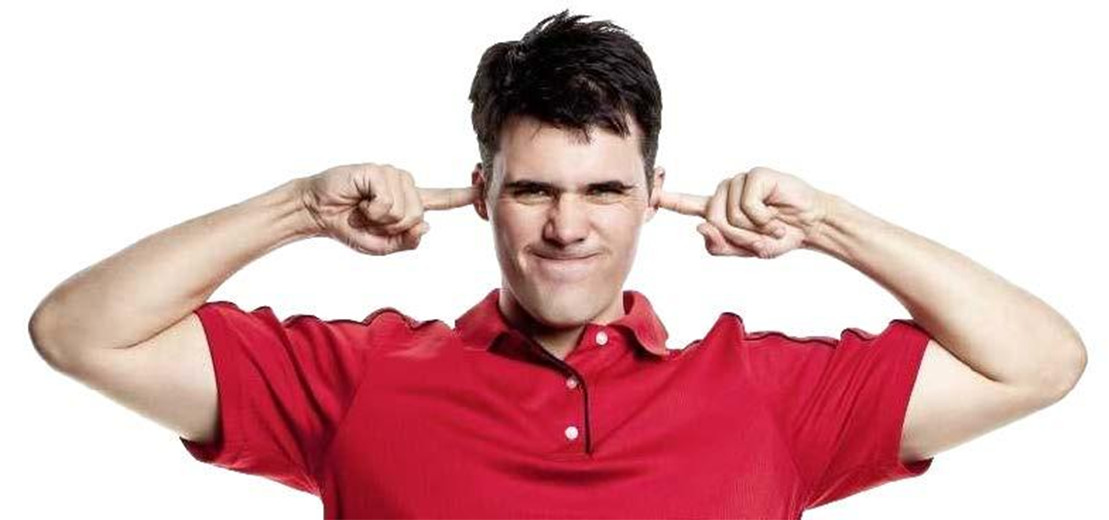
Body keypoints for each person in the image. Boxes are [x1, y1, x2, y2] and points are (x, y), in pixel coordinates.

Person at [28, 9, 1086, 519]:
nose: (566, 227)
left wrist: (828, 224)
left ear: (653, 193)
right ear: (481, 192)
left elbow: (1039, 363)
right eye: (533, 189)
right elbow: (79, 333)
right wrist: (301, 208)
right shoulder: (362, 380)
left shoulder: (761, 392)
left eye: (604, 190)